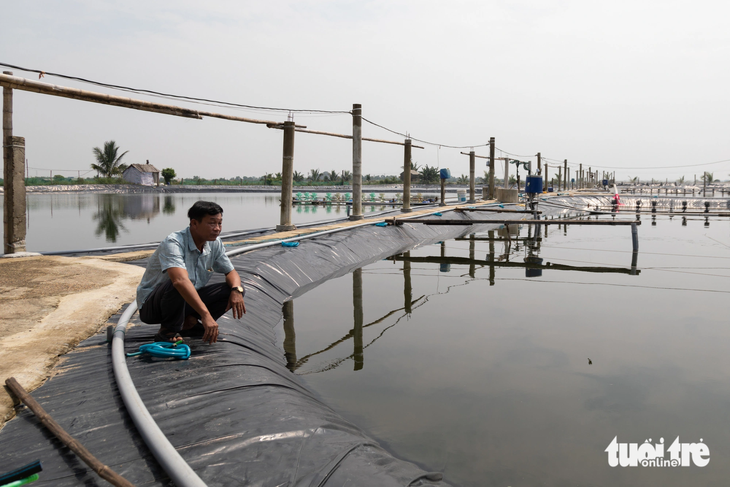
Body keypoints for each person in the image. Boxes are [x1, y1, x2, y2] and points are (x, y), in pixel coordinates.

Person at [136, 201, 245, 344]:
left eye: (219, 223)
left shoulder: (214, 243)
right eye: (212, 223)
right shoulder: (174, 243)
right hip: (154, 306)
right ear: (194, 223)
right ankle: (168, 330)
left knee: (232, 290)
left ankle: (189, 322)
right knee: (178, 283)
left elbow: (231, 272)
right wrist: (205, 314)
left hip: (184, 302)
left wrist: (237, 290)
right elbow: (179, 281)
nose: (217, 229)